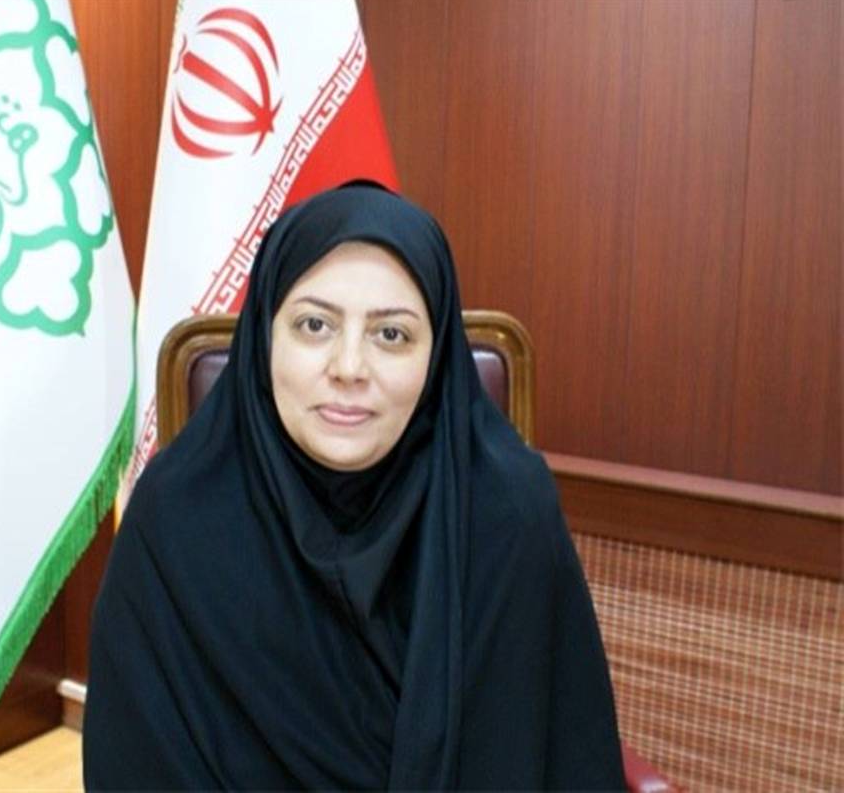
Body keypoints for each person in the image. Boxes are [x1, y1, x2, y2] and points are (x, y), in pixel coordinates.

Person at [84, 183, 626, 790]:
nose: (348, 368)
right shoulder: (176, 519)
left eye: (391, 335)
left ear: (436, 356)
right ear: (266, 337)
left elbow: (569, 758)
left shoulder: (508, 511)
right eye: (314, 325)